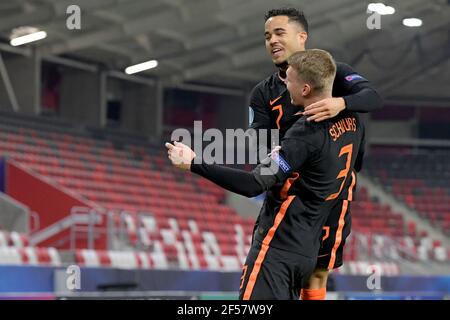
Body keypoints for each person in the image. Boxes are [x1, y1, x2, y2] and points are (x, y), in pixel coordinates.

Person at [166, 49, 365, 300]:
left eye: (289, 81)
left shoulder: (304, 132)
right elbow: (353, 170)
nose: (284, 87)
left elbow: (254, 184)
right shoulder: (354, 120)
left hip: (278, 249)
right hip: (308, 250)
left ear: (304, 89)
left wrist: (194, 163)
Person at [248, 8, 383, 299]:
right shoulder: (262, 92)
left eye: (279, 32)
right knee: (280, 265)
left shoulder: (334, 72)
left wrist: (341, 103)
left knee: (319, 270)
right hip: (289, 191)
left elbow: (373, 97)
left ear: (302, 36)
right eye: (267, 36)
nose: (272, 40)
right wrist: (268, 151)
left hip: (334, 188)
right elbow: (256, 135)